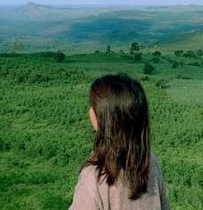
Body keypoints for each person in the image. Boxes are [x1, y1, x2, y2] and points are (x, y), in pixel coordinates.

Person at [69, 74, 170, 210]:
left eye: (93, 105)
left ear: (102, 119)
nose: (90, 110)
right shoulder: (150, 161)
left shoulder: (94, 177)